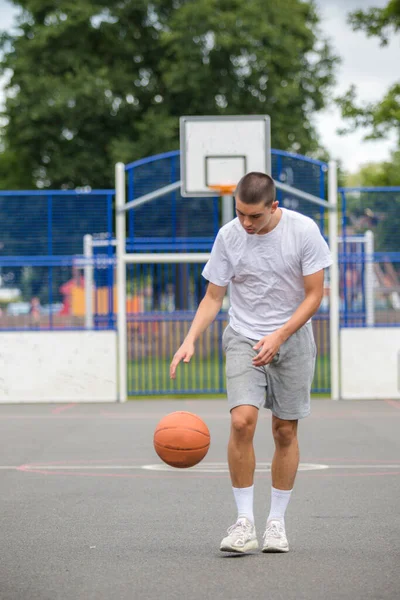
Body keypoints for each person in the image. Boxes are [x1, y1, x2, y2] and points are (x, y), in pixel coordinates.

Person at [170, 172, 332, 554]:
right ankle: (244, 522)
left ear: (273, 207)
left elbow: (314, 295)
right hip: (243, 334)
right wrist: (190, 338)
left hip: (291, 337)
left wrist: (279, 336)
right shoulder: (229, 236)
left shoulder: (303, 231)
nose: (246, 223)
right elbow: (213, 297)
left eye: (254, 216)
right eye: (241, 214)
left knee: (284, 432)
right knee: (242, 420)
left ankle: (276, 522)